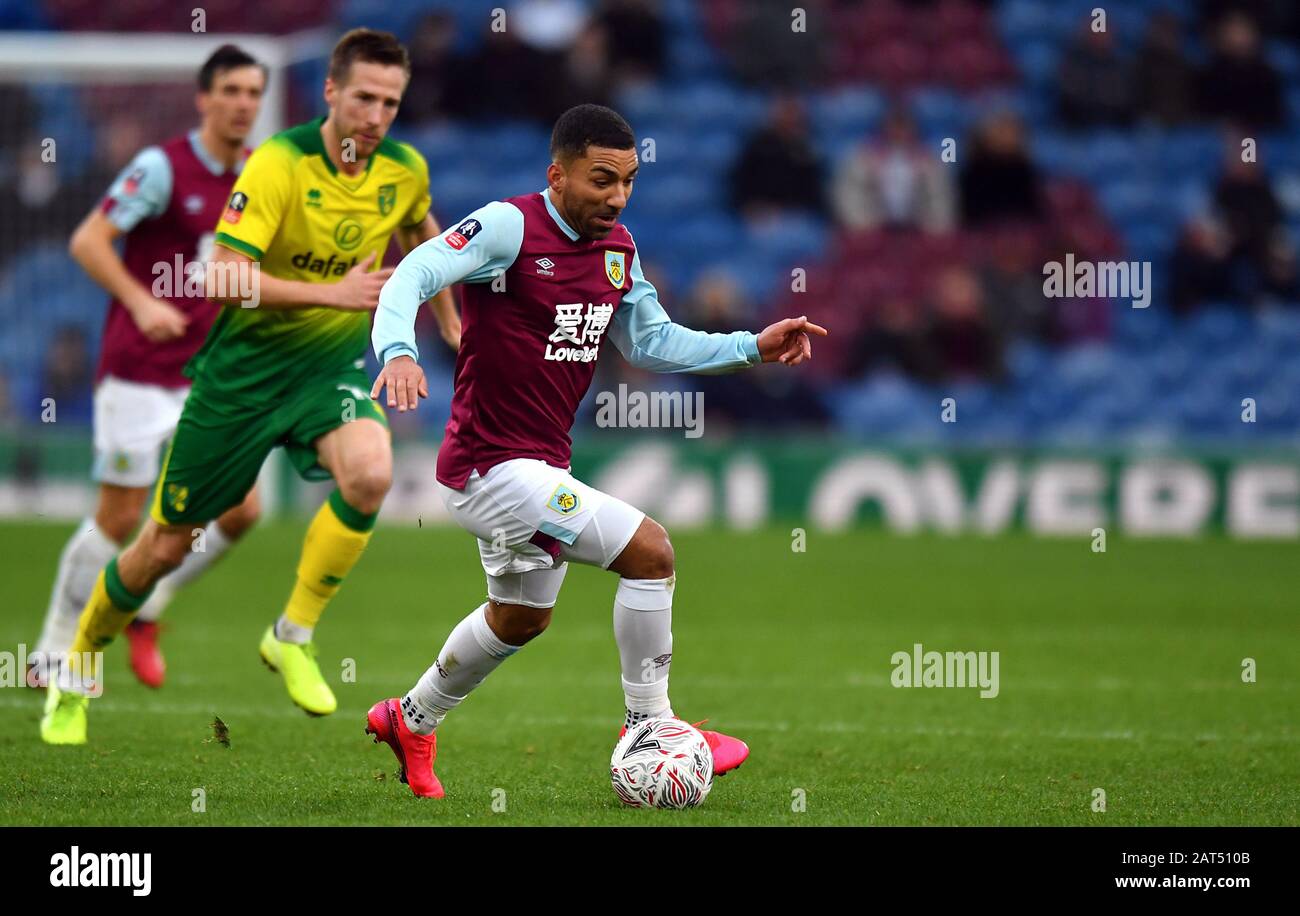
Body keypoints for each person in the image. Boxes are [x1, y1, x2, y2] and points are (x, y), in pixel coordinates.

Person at [365, 104, 827, 798]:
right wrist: (399, 352)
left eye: (629, 181)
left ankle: (411, 717)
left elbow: (650, 342)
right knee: (652, 552)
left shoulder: (619, 251)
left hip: (541, 464)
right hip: (489, 467)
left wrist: (749, 347)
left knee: (521, 617)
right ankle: (652, 725)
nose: (616, 197)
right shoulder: (508, 227)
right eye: (601, 180)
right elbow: (412, 275)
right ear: (558, 174)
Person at [39, 29, 460, 746]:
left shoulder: (403, 167)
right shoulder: (278, 163)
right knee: (160, 547)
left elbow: (427, 234)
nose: (376, 115)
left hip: (325, 374)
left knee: (370, 473)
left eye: (390, 102)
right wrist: (336, 296)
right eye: (363, 97)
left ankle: (291, 635)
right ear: (330, 92)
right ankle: (75, 668)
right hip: (238, 382)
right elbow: (223, 276)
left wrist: (452, 323)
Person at [30, 45, 267, 692]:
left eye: (254, 92)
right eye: (233, 91)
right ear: (205, 98)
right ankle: (52, 649)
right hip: (138, 371)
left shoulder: (260, 175)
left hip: (207, 375)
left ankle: (148, 602)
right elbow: (88, 240)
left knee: (243, 510)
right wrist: (142, 301)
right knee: (119, 516)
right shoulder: (161, 168)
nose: (245, 103)